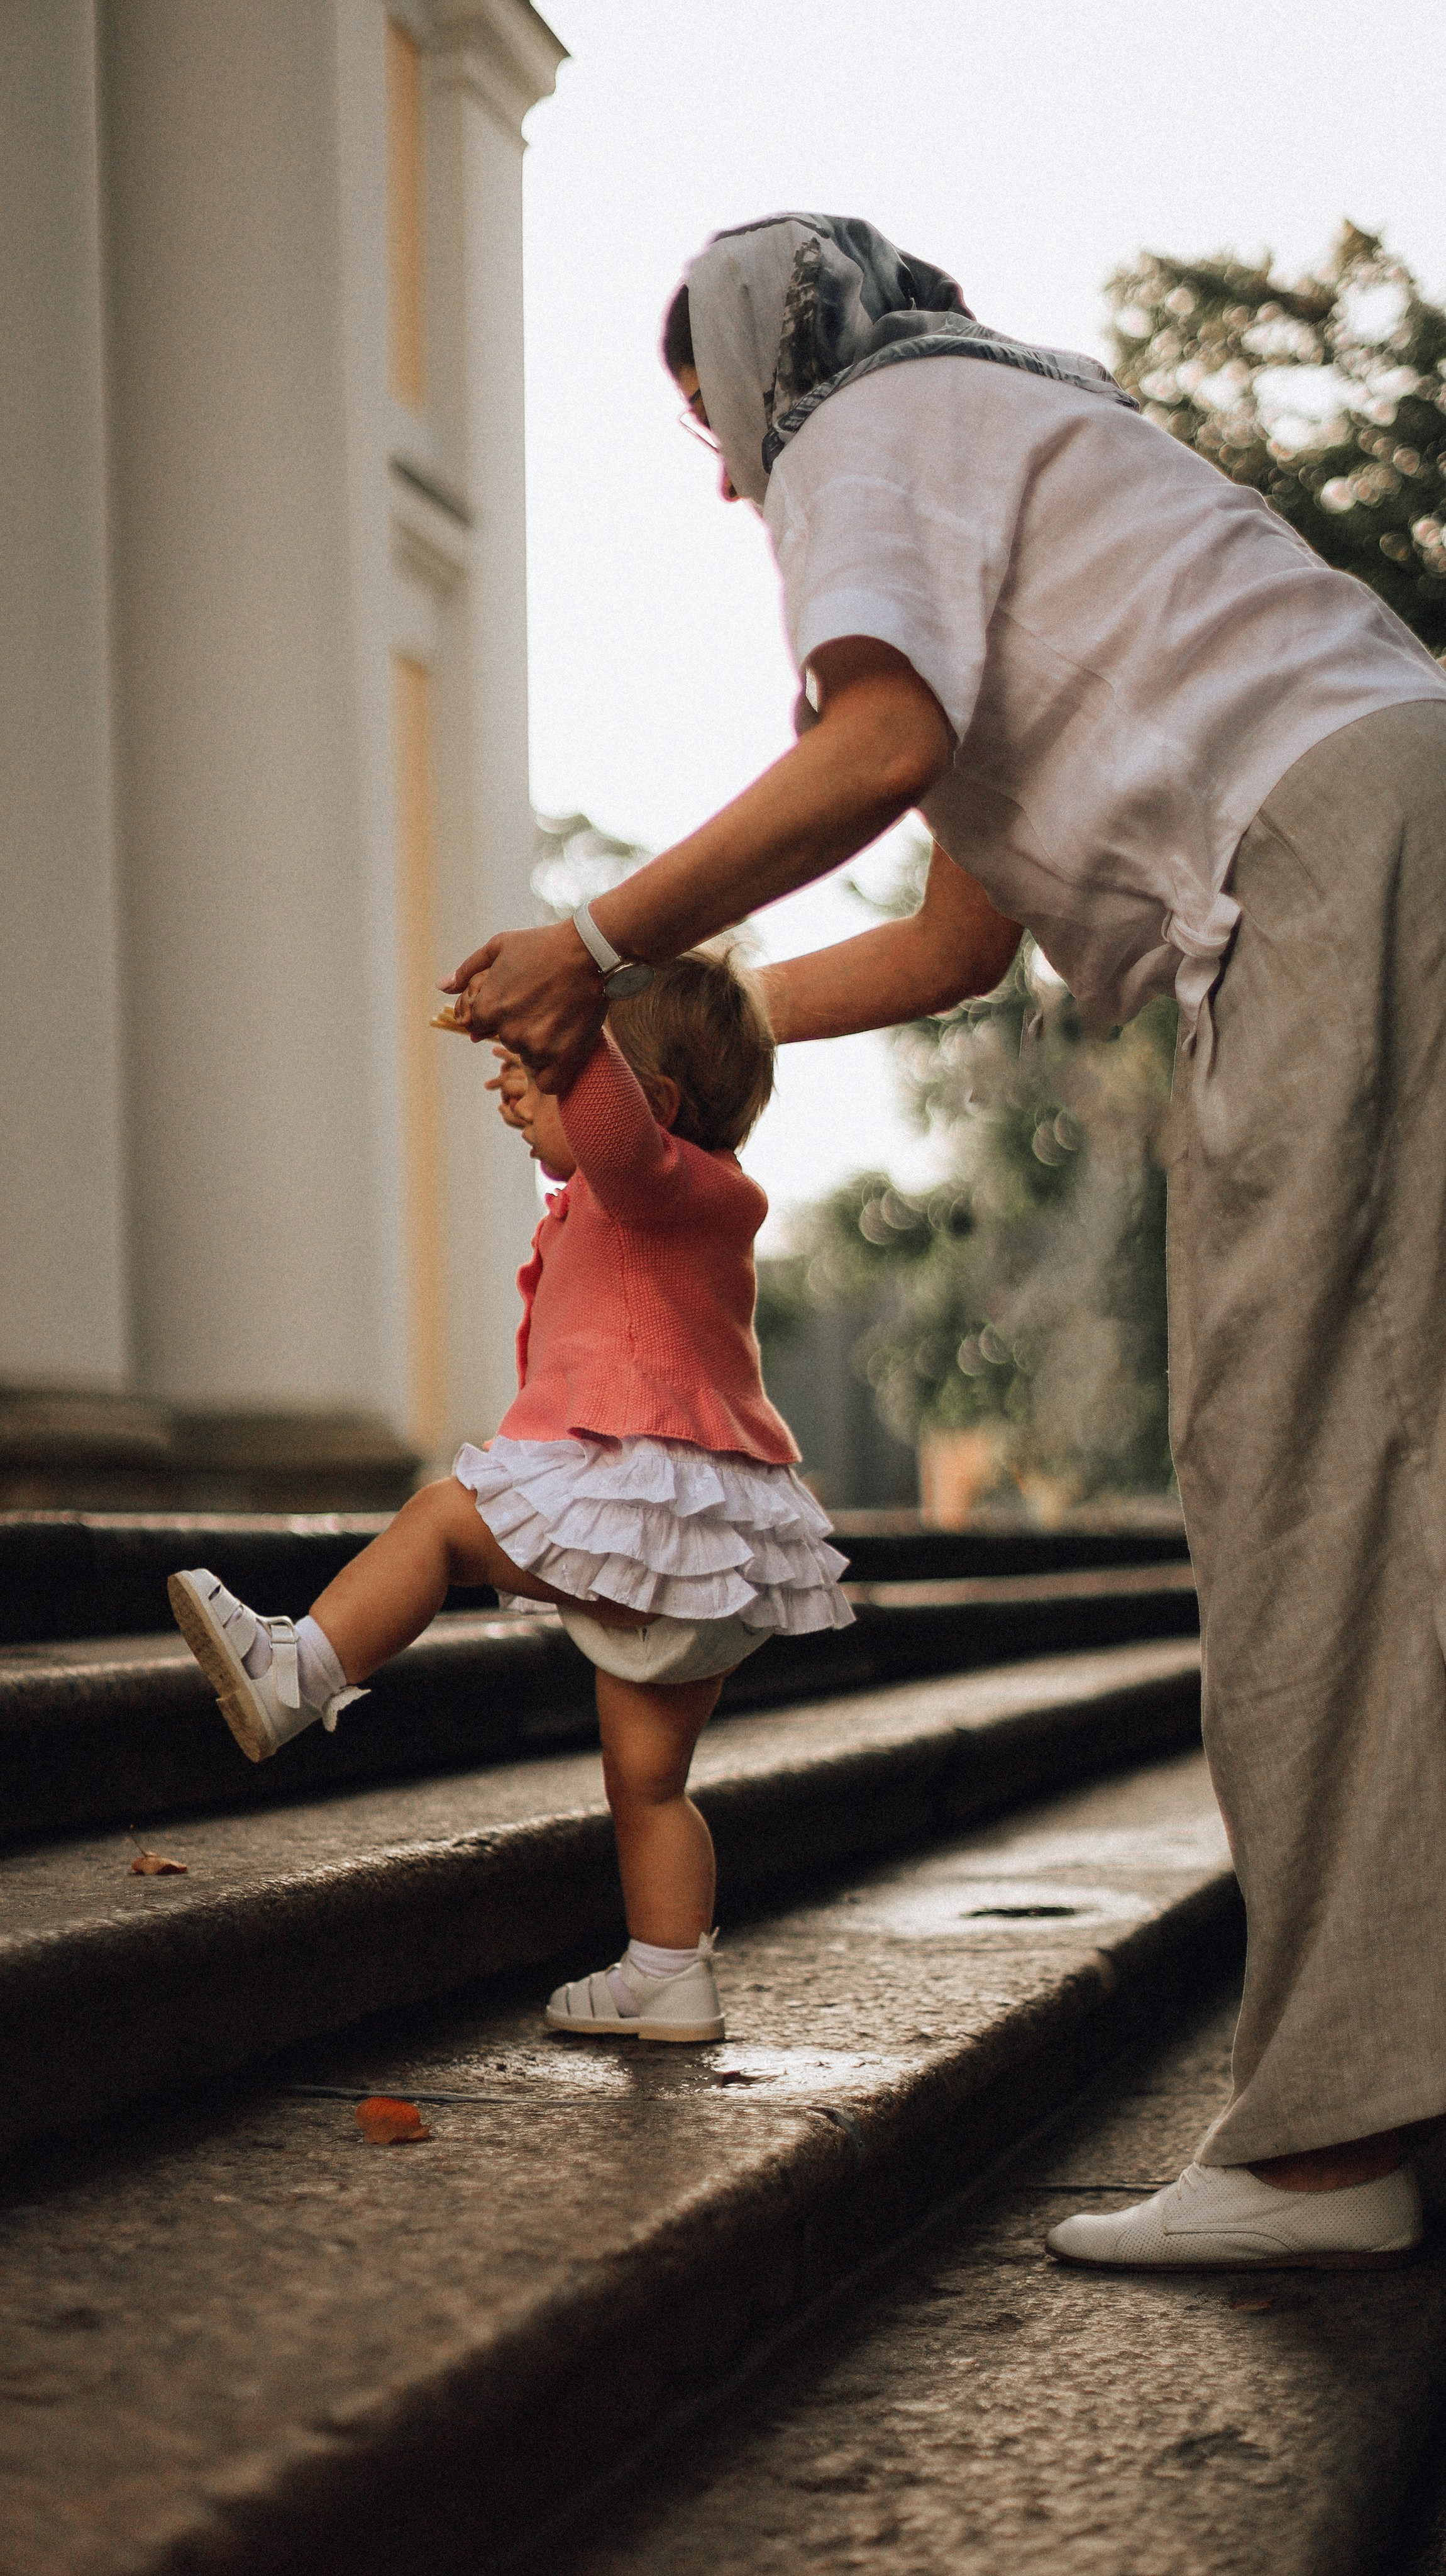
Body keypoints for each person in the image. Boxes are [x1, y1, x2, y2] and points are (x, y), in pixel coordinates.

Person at [439, 213, 1446, 2269]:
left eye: (715, 418)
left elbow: (874, 745)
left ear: (762, 355)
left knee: (1297, 1480)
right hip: (1398, 804)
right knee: (1402, 1470)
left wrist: (597, 935)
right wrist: (676, 1019)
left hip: (1329, 866)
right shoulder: (1016, 426)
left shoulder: (867, 422)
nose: (730, 478)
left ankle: (1332, 2152)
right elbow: (956, 936)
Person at [168, 947, 853, 2045]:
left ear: (650, 1101)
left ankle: (295, 1671)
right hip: (710, 1548)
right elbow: (601, 1125)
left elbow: (616, 1125)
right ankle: (667, 1973)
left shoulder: (655, 1177)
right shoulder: (682, 1201)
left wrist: (563, 1024)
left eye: (554, 1075)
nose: (520, 1093)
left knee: (442, 1522)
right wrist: (542, 1056)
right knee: (649, 1779)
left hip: (652, 1514)